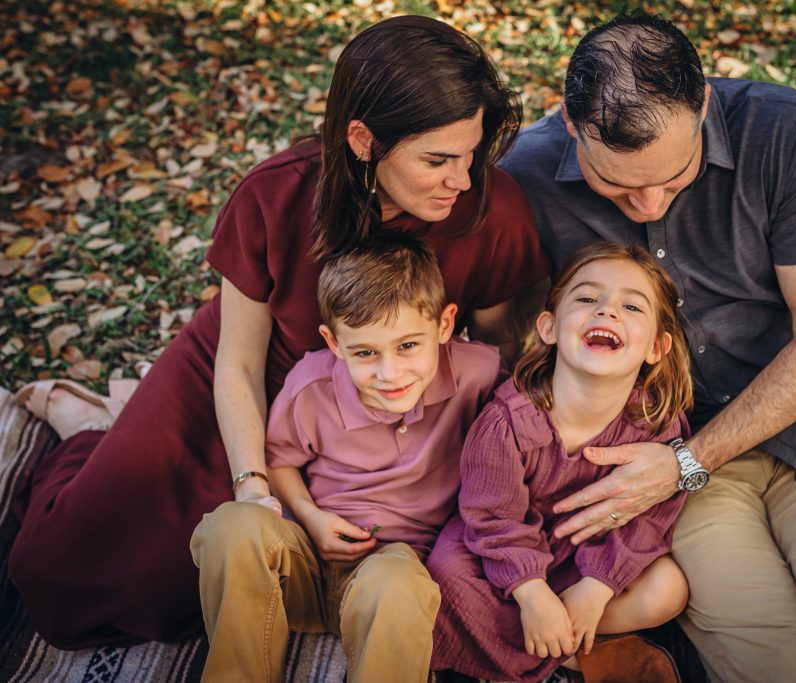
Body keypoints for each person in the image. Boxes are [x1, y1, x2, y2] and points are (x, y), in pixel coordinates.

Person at [10, 15, 549, 648]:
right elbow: (236, 361)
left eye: (470, 154)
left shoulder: (491, 207)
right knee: (70, 573)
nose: (461, 179)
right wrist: (256, 488)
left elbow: (498, 353)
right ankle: (87, 434)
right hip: (255, 378)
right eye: (437, 160)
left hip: (386, 387)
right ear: (363, 139)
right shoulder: (276, 194)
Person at [500, 12, 796, 682]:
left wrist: (683, 463)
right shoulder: (525, 177)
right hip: (659, 451)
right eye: (616, 185)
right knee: (774, 663)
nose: (648, 203)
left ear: (703, 104)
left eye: (674, 174)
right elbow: (512, 340)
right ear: (570, 126)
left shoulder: (783, 130)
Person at [191, 233, 502, 682]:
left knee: (398, 584)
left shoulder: (479, 374)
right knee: (231, 525)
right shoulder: (311, 386)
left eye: (409, 346)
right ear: (334, 343)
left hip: (394, 566)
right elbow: (279, 461)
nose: (389, 372)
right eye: (365, 353)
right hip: (304, 566)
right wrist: (310, 517)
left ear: (445, 324)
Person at [429, 243, 692, 683]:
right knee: (445, 577)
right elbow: (492, 519)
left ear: (656, 347)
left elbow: (651, 517)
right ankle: (572, 657)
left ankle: (552, 639)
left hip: (587, 562)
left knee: (668, 589)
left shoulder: (657, 423)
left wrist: (598, 586)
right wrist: (531, 593)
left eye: (631, 305)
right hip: (503, 557)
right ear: (549, 327)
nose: (607, 312)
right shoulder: (507, 420)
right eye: (587, 299)